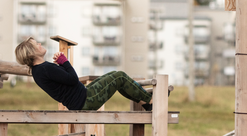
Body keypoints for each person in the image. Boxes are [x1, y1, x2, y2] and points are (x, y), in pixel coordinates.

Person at [15, 37, 152, 111]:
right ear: (31, 52)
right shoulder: (44, 69)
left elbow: (64, 80)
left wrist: (61, 65)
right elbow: (74, 79)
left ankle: (145, 102)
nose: (39, 43)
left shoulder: (38, 71)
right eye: (36, 44)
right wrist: (65, 62)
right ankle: (150, 100)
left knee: (115, 75)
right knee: (119, 76)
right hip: (85, 101)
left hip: (81, 99)